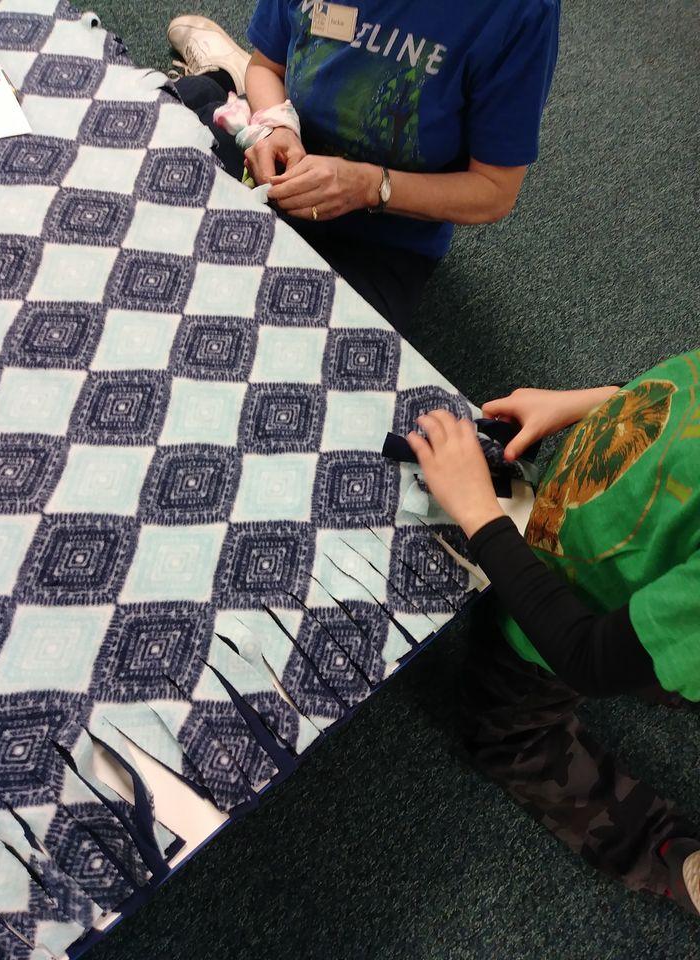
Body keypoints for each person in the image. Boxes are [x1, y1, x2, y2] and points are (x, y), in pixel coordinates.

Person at [405, 349, 700, 915]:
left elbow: (588, 658)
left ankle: (662, 850)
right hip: (629, 592)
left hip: (566, 637)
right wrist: (604, 404)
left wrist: (479, 514)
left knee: (508, 729)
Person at [167, 4, 560, 335]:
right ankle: (219, 81)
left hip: (382, 239)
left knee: (280, 341)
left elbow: (493, 191)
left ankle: (221, 89)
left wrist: (368, 186)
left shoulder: (518, 12)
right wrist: (275, 125)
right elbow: (267, 67)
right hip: (281, 157)